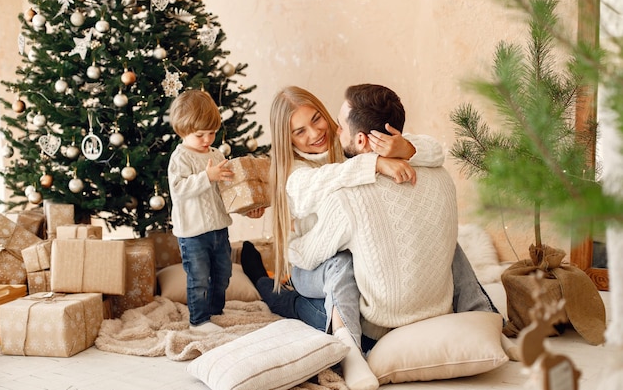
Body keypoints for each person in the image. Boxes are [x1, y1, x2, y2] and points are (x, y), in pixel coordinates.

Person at [242, 84, 497, 390]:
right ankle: (345, 348)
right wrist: (374, 162)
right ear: (287, 139)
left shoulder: (344, 143)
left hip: (340, 248)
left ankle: (485, 314)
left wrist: (405, 150)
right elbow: (316, 191)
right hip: (308, 261)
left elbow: (434, 149)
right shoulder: (294, 171)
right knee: (314, 283)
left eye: (316, 119)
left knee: (445, 240)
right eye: (299, 131)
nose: (314, 134)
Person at [167, 89, 263, 334]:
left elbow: (226, 193)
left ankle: (215, 313)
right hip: (193, 233)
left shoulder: (216, 154)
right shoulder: (180, 158)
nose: (207, 139)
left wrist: (246, 210)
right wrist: (206, 177)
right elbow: (178, 190)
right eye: (200, 135)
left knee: (223, 273)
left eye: (211, 132)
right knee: (198, 277)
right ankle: (198, 320)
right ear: (182, 130)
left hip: (219, 228)